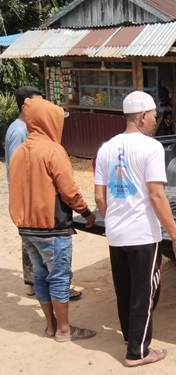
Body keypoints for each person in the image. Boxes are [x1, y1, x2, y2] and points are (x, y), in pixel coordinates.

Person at [94, 91, 176, 367]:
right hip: (142, 235)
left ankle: (131, 337)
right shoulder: (150, 148)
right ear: (142, 116)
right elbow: (156, 196)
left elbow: (99, 198)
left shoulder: (105, 148)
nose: (155, 121)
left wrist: (114, 221)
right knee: (146, 292)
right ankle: (137, 352)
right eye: (153, 116)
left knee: (126, 290)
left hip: (116, 235)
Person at [8, 97, 96, 342]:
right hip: (51, 228)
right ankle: (65, 330)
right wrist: (87, 213)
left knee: (40, 276)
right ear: (48, 120)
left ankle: (51, 326)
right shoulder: (53, 151)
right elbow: (69, 192)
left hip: (26, 229)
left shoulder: (19, 153)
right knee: (58, 277)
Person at [5, 86, 83, 301]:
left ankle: (34, 287)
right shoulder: (22, 132)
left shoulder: (29, 132)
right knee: (48, 262)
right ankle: (61, 319)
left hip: (31, 206)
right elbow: (18, 171)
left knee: (37, 259)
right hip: (36, 207)